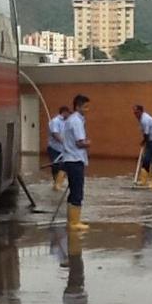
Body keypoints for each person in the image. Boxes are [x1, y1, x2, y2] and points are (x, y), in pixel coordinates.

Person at [61, 95, 91, 231]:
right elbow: (79, 143)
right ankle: (74, 222)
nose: (87, 109)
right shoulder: (76, 121)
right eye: (85, 106)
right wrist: (87, 143)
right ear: (77, 106)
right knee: (77, 191)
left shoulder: (72, 120)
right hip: (75, 159)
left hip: (70, 159)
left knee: (73, 191)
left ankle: (71, 220)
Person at [48, 106, 70, 191]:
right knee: (56, 166)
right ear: (64, 112)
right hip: (54, 148)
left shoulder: (66, 122)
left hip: (63, 150)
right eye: (68, 113)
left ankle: (58, 183)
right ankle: (56, 183)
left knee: (64, 165)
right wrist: (64, 142)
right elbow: (55, 134)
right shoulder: (55, 121)